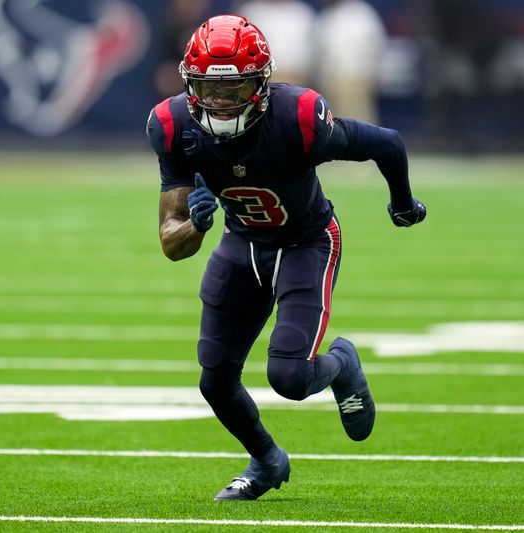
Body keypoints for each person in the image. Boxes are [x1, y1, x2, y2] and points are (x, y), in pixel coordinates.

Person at [146, 14, 426, 501]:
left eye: (233, 89)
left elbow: (387, 143)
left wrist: (402, 203)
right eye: (209, 89)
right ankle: (266, 461)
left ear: (260, 84)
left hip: (306, 240)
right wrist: (196, 223)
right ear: (189, 84)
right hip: (242, 243)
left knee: (290, 378)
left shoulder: (296, 118)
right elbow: (172, 243)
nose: (219, 101)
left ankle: (341, 361)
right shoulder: (172, 126)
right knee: (214, 378)